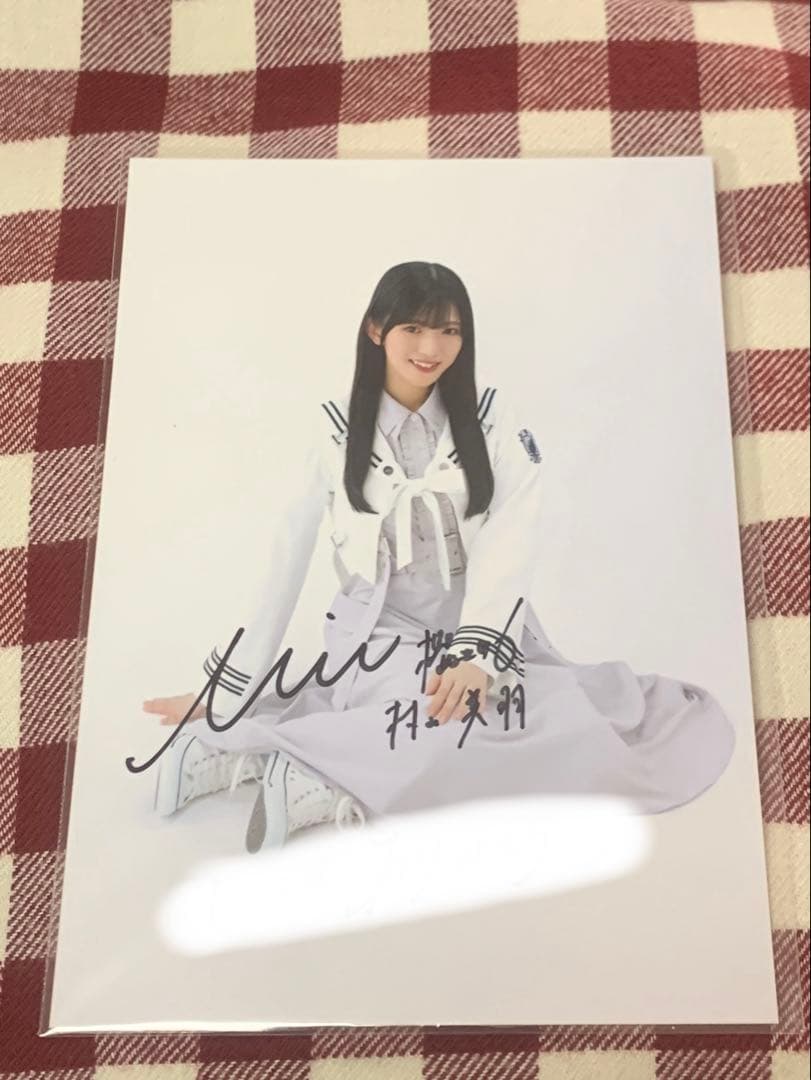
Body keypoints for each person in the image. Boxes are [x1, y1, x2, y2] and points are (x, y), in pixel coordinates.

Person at [143, 261, 736, 853]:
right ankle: (252, 756)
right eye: (413, 329)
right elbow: (284, 553)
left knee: (554, 723)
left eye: (449, 331)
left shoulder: (492, 419)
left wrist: (476, 654)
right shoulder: (334, 430)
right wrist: (227, 690)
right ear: (376, 329)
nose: (431, 349)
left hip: (482, 615)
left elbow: (512, 536)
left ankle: (289, 764)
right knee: (432, 721)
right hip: (381, 627)